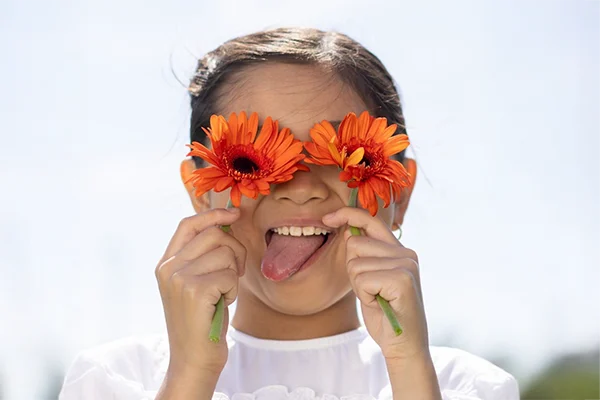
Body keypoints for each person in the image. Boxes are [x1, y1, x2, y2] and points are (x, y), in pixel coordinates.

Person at [59, 27, 519, 400]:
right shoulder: (115, 381)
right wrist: (191, 376)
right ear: (201, 192)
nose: (300, 188)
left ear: (399, 188)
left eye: (345, 156)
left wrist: (407, 365)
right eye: (252, 159)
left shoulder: (467, 387)